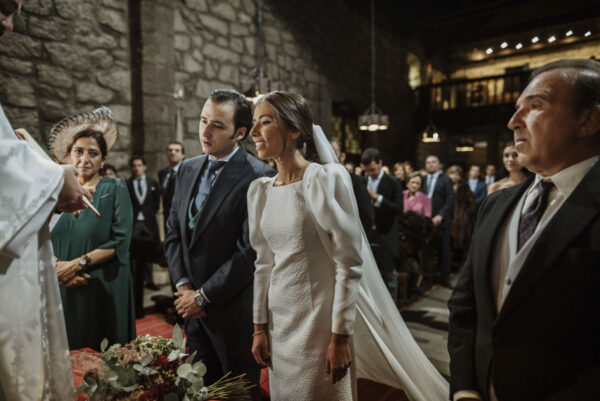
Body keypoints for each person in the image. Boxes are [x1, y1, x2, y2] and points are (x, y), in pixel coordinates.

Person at [248, 91, 448, 401]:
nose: (253, 132)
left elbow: (349, 262)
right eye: (253, 122)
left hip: (319, 324)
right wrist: (259, 327)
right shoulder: (260, 191)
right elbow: (263, 264)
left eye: (264, 122)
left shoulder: (321, 180)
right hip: (279, 323)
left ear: (294, 129)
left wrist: (340, 336)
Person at [448, 59, 600, 401]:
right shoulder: (497, 203)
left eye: (535, 106)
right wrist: (464, 387)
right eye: (517, 108)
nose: (513, 121)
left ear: (588, 121)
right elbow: (465, 306)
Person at [165, 89, 273, 399]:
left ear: (240, 133)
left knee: (239, 394)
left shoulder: (259, 176)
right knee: (199, 390)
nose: (205, 131)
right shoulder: (187, 169)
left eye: (217, 125)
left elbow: (249, 251)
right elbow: (173, 232)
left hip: (231, 313)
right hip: (191, 312)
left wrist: (202, 296)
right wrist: (184, 287)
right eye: (203, 121)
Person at [49, 107, 136, 351]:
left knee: (103, 357)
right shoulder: (54, 193)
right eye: (78, 151)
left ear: (103, 160)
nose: (84, 159)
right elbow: (38, 236)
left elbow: (119, 242)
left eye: (93, 153)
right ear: (68, 156)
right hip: (62, 284)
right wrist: (57, 267)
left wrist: (75, 265)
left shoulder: (115, 189)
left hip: (102, 284)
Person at [361, 147, 404, 303]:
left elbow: (398, 208)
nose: (370, 173)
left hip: (386, 233)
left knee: (389, 274)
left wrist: (378, 198)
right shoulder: (363, 180)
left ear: (380, 163)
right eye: (367, 170)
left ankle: (392, 310)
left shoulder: (393, 182)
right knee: (368, 274)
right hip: (367, 234)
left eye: (372, 169)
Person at [127, 156, 161, 293]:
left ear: (145, 167)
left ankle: (149, 281)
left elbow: (156, 203)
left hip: (148, 223)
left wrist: (149, 215)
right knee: (133, 253)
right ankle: (133, 281)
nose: (137, 168)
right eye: (134, 166)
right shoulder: (127, 183)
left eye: (139, 165)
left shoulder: (152, 182)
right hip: (134, 223)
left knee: (149, 251)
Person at [421, 155, 454, 287]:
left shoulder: (446, 179)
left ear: (439, 164)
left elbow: (450, 200)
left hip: (441, 221)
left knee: (444, 251)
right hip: (426, 220)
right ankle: (428, 280)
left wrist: (441, 215)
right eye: (428, 162)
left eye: (433, 162)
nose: (430, 164)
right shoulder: (423, 179)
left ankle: (445, 279)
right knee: (427, 252)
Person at [330, 139, 374, 235]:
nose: (327, 156)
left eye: (333, 153)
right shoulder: (317, 181)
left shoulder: (355, 181)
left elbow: (367, 217)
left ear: (342, 156)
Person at [446, 165, 477, 268]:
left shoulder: (464, 187)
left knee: (460, 245)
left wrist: (465, 214)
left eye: (457, 174)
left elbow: (473, 204)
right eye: (452, 174)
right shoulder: (445, 186)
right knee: (447, 245)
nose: (454, 176)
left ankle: (459, 268)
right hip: (447, 219)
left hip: (461, 221)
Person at [158, 141, 185, 233]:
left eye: (177, 150)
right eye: (170, 150)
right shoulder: (163, 173)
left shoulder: (188, 172)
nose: (173, 152)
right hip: (167, 215)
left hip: (182, 216)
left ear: (182, 155)